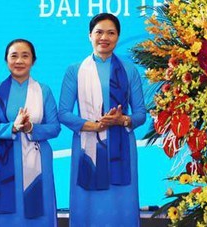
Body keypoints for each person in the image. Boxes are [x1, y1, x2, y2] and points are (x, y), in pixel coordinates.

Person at [59, 13, 146, 226]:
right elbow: (63, 113)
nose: (104, 37)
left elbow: (141, 114)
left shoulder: (129, 70)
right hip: (87, 146)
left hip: (122, 146)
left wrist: (123, 120)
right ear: (90, 35)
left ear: (118, 37)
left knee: (121, 206)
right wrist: (93, 126)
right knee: (87, 207)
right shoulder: (75, 70)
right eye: (99, 32)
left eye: (111, 33)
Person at [0, 39, 60, 226]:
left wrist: (32, 128)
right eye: (14, 56)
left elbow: (55, 127)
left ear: (33, 60)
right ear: (6, 60)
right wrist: (13, 127)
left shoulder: (43, 91)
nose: (19, 61)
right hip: (2, 157)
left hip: (38, 160)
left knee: (37, 211)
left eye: (25, 56)